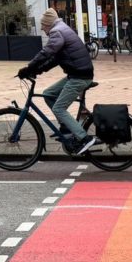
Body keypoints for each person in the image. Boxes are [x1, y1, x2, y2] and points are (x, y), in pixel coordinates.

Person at [18, 8, 100, 155]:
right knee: (49, 94)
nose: (42, 28)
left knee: (58, 108)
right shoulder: (62, 29)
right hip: (77, 74)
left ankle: (84, 138)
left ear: (49, 24)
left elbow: (46, 52)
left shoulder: (57, 32)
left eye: (43, 25)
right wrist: (37, 70)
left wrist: (28, 67)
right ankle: (67, 127)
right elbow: (54, 59)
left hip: (79, 77)